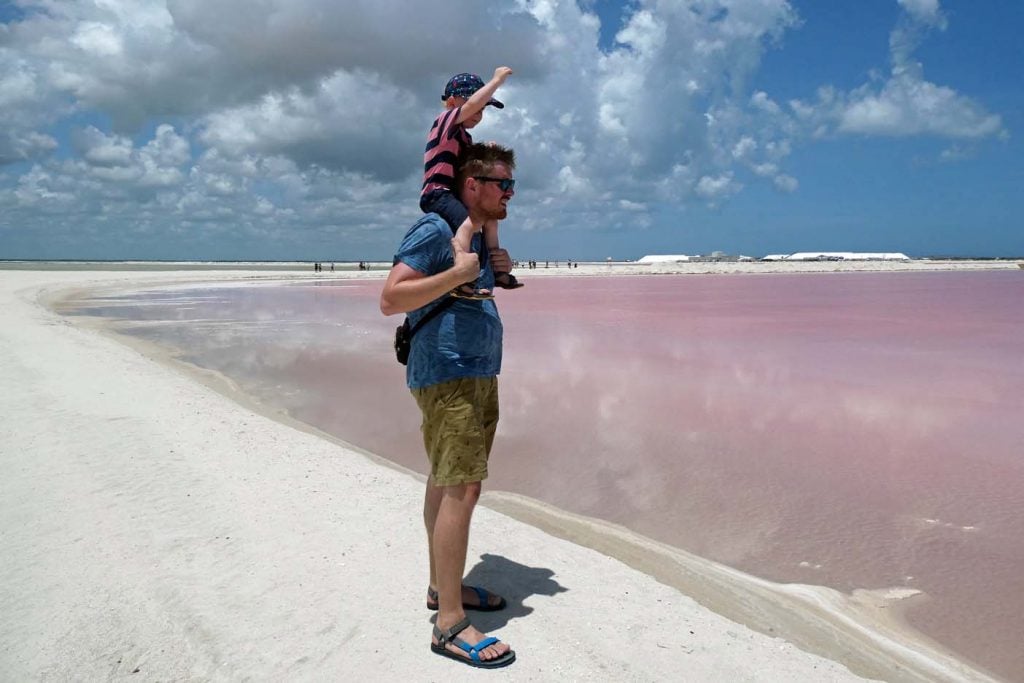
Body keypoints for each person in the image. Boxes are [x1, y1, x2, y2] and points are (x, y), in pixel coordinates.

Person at [381, 142, 519, 669]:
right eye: (502, 184)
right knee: (461, 485)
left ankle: (443, 588)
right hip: (448, 372)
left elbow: (468, 290)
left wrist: (492, 271)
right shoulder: (437, 231)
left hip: (476, 371)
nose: (510, 194)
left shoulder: (477, 239)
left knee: (450, 479)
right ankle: (450, 626)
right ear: (471, 186)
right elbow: (391, 297)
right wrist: (459, 275)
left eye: (512, 185)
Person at [420, 67, 523, 298]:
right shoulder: (445, 123)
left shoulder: (465, 137)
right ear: (451, 103)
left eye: (483, 109)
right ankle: (461, 276)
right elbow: (469, 107)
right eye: (476, 105)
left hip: (453, 193)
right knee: (468, 225)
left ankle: (497, 270)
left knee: (491, 222)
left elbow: (472, 165)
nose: (478, 113)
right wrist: (496, 81)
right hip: (438, 192)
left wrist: (488, 150)